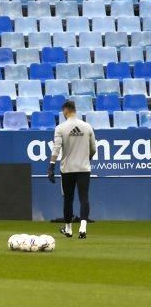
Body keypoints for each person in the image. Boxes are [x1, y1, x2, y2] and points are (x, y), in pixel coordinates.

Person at [47, 100, 96, 239]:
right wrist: (87, 159)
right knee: (84, 198)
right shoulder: (87, 127)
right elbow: (93, 148)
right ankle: (83, 228)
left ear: (66, 111)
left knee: (68, 199)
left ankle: (68, 229)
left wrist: (51, 166)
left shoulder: (60, 128)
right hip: (83, 168)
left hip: (67, 169)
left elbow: (56, 148)